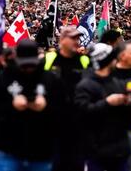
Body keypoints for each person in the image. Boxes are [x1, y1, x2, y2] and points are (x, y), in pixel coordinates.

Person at [0, 40, 60, 171]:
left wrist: (46, 106)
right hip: (8, 149)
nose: (28, 69)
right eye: (24, 65)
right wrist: (11, 106)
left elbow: (64, 112)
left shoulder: (49, 79)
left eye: (31, 65)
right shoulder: (4, 78)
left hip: (41, 151)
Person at [75, 43, 131, 171]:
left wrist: (128, 103)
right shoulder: (85, 85)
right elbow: (82, 113)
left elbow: (129, 117)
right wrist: (107, 103)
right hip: (97, 150)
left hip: (119, 149)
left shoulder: (118, 82)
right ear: (107, 61)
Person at [44, 26, 89, 171]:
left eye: (78, 38)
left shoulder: (85, 61)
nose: (77, 41)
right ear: (62, 40)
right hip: (51, 125)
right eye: (73, 38)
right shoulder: (48, 59)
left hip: (78, 125)